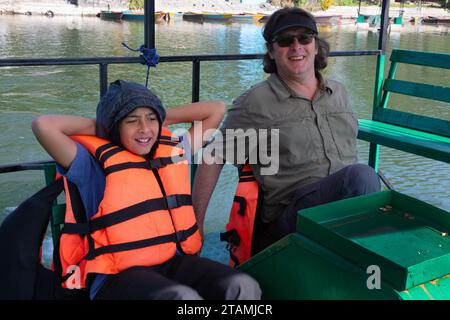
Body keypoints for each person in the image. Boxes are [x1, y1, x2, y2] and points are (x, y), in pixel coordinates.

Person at [31, 79, 261, 300]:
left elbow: (216, 110)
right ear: (114, 126)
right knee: (181, 298)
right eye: (131, 121)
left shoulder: (172, 151)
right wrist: (107, 124)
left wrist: (154, 116)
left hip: (171, 262)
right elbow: (44, 125)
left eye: (151, 119)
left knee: (242, 286)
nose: (144, 129)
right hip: (116, 277)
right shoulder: (89, 165)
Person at [193, 7, 381, 257]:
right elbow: (212, 157)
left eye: (304, 38)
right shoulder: (256, 102)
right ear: (271, 51)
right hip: (291, 216)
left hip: (343, 206)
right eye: (284, 40)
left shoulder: (339, 93)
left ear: (316, 45)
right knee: (362, 177)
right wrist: (195, 229)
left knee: (376, 189)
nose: (296, 47)